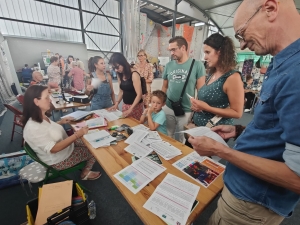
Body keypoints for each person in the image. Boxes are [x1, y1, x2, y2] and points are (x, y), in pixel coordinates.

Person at [189, 1, 300, 224]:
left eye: (241, 33)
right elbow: (275, 127)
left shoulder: (295, 72)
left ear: (270, 9)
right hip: (244, 192)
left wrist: (224, 151)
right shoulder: (284, 63)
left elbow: (297, 176)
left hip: (251, 203)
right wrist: (240, 130)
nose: (243, 45)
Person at [22, 85, 101, 180]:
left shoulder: (39, 117)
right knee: (94, 150)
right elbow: (53, 149)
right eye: (47, 97)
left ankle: (85, 164)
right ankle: (85, 173)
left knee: (90, 141)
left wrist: (60, 122)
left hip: (63, 148)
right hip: (58, 160)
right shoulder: (33, 127)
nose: (50, 100)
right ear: (36, 101)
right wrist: (77, 134)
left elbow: (46, 130)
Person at [191, 33, 244, 128]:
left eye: (208, 52)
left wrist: (207, 108)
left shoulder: (232, 77)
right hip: (199, 128)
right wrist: (199, 107)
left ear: (220, 52)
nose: (205, 57)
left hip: (215, 132)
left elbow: (237, 113)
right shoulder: (212, 73)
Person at [161, 36, 206, 143]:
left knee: (184, 138)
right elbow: (164, 86)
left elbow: (201, 90)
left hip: (186, 109)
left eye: (173, 49)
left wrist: (198, 106)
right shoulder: (169, 65)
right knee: (168, 134)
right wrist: (160, 102)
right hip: (168, 106)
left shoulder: (197, 65)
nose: (171, 53)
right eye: (170, 50)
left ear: (183, 48)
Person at [108, 52, 143, 120]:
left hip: (136, 106)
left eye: (117, 67)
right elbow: (121, 91)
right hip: (125, 105)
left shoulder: (134, 74)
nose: (116, 70)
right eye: (114, 68)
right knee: (125, 125)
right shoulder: (120, 75)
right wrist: (116, 103)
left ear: (123, 62)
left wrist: (131, 109)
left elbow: (139, 94)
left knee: (134, 126)